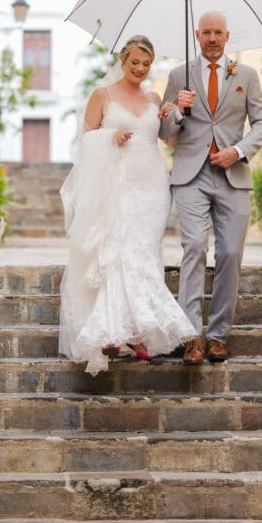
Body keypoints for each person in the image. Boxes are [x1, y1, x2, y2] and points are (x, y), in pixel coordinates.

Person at [59, 34, 194, 375]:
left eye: (146, 64)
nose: (140, 69)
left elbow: (169, 138)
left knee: (145, 255)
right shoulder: (102, 95)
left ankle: (137, 334)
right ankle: (115, 331)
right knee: (120, 252)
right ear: (122, 60)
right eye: (135, 62)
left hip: (152, 187)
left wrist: (175, 113)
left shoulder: (153, 97)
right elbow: (84, 139)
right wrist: (110, 137)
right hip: (118, 186)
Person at [159, 11, 262, 365]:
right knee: (193, 247)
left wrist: (238, 151)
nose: (211, 38)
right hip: (190, 175)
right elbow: (166, 134)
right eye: (205, 32)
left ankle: (218, 335)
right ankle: (192, 336)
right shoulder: (180, 75)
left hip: (232, 176)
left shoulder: (248, 76)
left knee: (229, 254)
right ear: (197, 34)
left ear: (227, 36)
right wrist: (177, 110)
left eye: (217, 32)